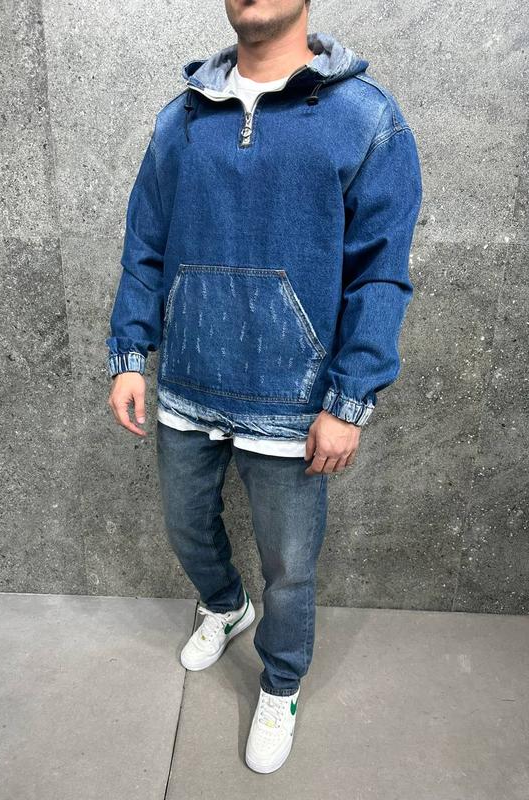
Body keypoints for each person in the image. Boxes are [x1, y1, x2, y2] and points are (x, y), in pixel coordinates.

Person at [106, 0, 423, 774]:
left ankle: (281, 684)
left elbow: (380, 272)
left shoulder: (364, 117)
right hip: (187, 384)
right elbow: (144, 241)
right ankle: (224, 606)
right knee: (186, 529)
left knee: (290, 569)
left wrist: (350, 402)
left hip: (294, 400)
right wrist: (129, 353)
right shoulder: (182, 119)